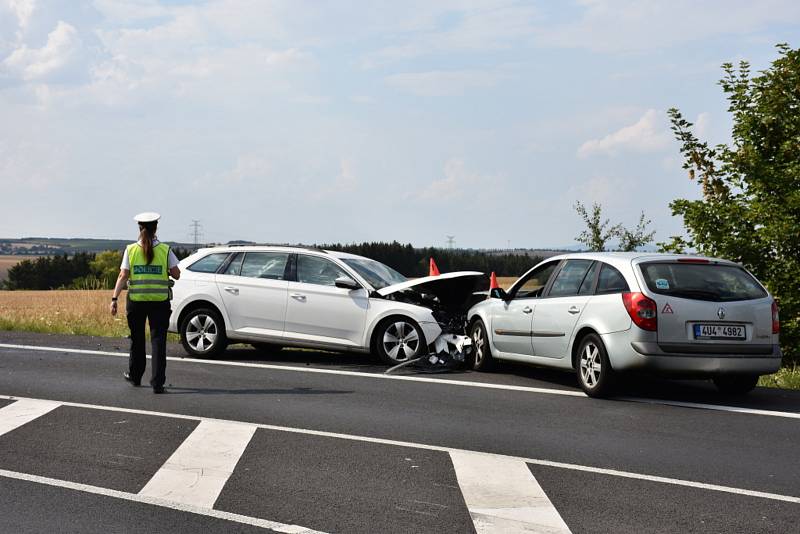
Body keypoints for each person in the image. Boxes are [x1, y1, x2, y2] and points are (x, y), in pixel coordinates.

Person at [110, 212, 180, 393]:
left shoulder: (131, 250)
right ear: (156, 228)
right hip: (159, 302)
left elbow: (123, 275)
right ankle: (157, 383)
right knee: (158, 342)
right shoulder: (165, 250)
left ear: (139, 229)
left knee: (137, 339)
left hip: (136, 301)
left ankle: (135, 376)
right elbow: (177, 274)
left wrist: (114, 298)